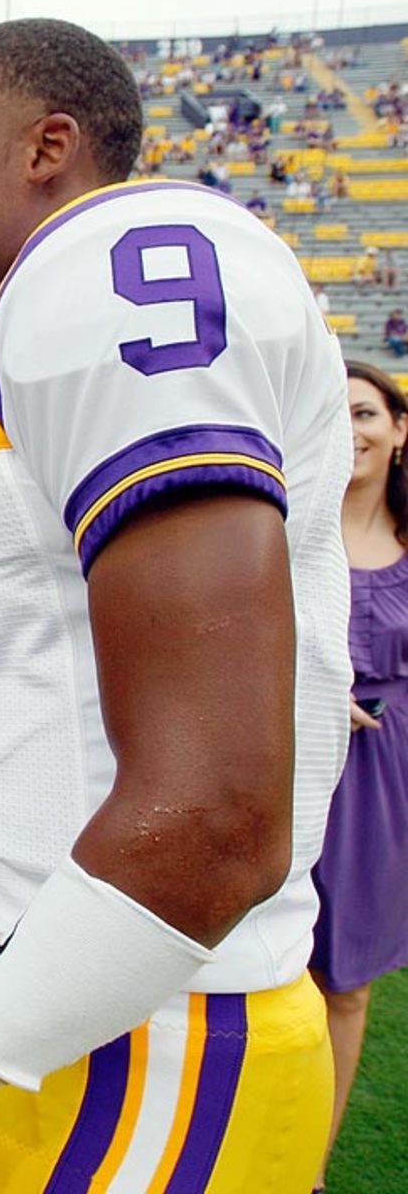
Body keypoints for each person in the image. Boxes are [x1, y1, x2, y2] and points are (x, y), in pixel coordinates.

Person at [0, 19, 353, 1193]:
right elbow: (87, 693)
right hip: (89, 1000)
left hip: (147, 1041)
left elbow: (210, 816)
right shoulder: (60, 294)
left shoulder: (108, 268)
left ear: (47, 145)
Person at [309, 359, 408, 1194]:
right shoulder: (288, 528)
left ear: (398, 429)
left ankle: (306, 1170)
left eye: (366, 412)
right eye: (334, 412)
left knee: (346, 986)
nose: (352, 428)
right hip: (291, 758)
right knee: (260, 969)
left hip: (386, 777)